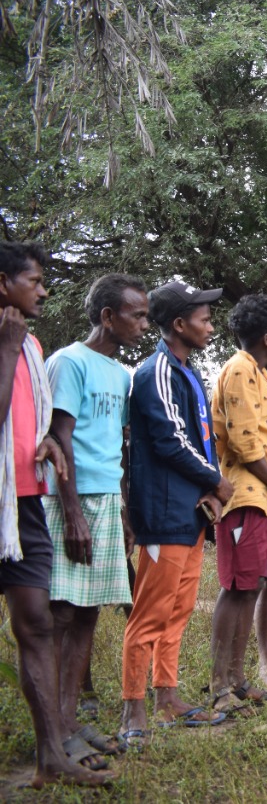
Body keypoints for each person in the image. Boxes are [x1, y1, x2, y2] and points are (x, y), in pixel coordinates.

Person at [0, 243, 111, 787]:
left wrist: (48, 442)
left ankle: (51, 757)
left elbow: (32, 418)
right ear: (4, 283)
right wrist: (5, 347)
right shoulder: (12, 343)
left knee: (39, 624)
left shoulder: (28, 344)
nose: (44, 290)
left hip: (25, 502)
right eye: (35, 280)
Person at [43, 274, 147, 764]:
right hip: (72, 500)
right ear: (108, 317)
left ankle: (71, 720)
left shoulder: (118, 372)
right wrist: (70, 513)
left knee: (89, 610)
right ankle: (55, 730)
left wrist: (123, 509)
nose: (144, 324)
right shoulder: (69, 362)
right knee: (61, 613)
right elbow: (59, 437)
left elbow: (117, 445)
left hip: (106, 500)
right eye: (137, 315)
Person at [122, 280, 232, 745]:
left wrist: (206, 491)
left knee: (180, 607)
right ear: (179, 325)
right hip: (163, 511)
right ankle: (133, 710)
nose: (211, 326)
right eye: (204, 319)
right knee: (149, 612)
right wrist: (215, 479)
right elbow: (171, 441)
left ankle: (167, 696)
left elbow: (199, 438)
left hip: (190, 513)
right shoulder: (158, 372)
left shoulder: (188, 371)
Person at [208, 294, 267, 716]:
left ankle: (238, 680)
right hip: (245, 496)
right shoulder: (239, 369)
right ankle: (220, 683)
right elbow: (244, 443)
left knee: (252, 586)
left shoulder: (263, 375)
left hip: (264, 498)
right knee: (237, 588)